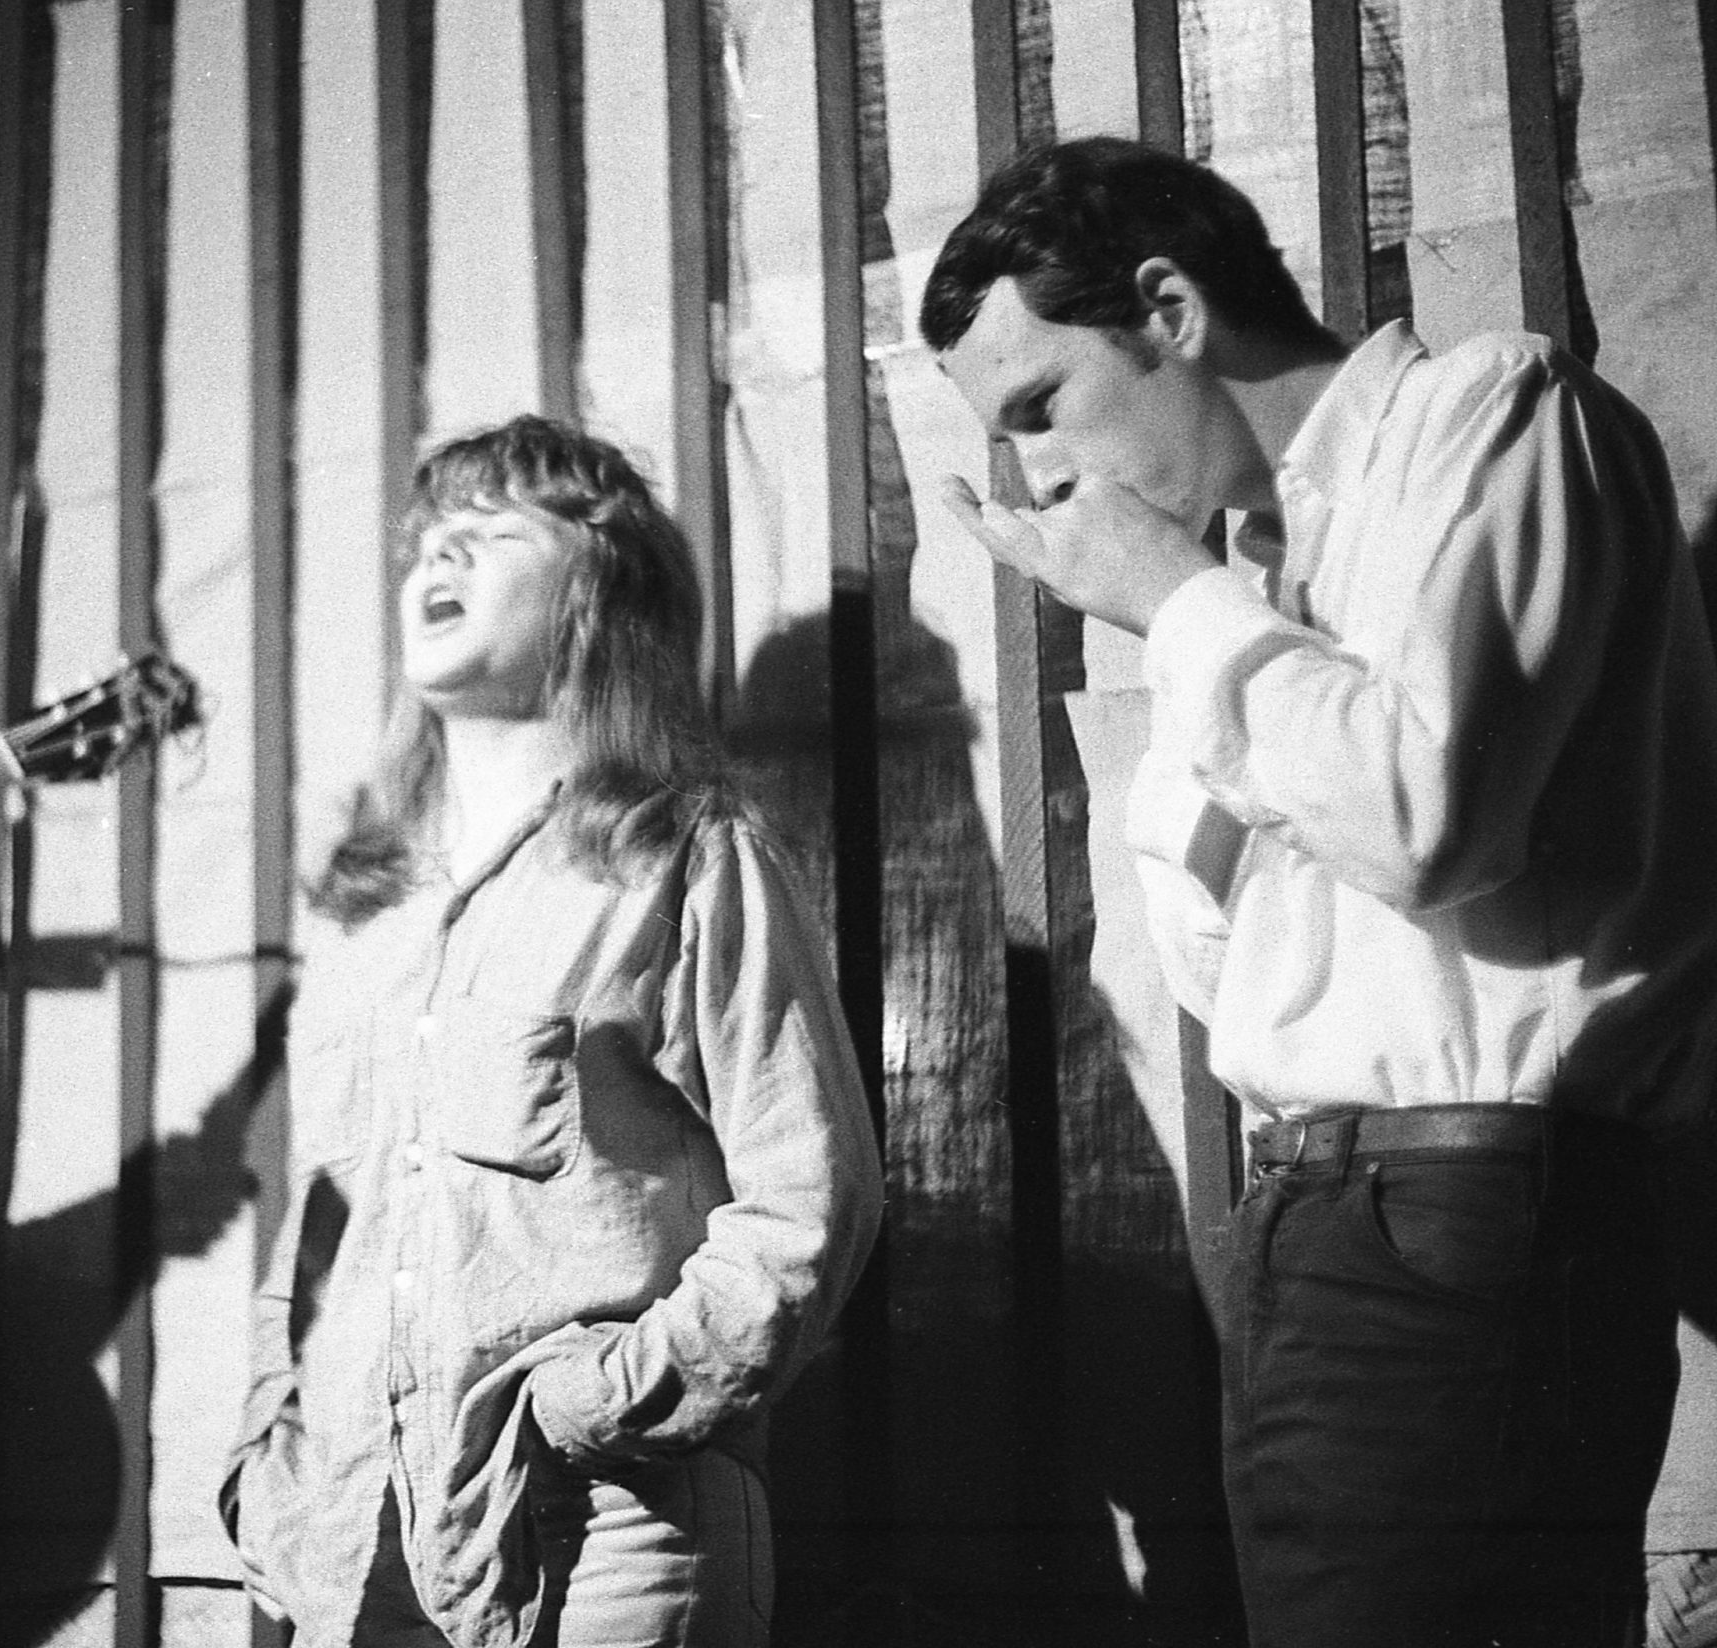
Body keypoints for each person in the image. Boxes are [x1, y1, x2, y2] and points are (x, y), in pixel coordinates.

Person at [921, 135, 1717, 1648]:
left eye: (1040, 406)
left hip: (1469, 1191)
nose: (1040, 476)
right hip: (1324, 1210)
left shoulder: (1488, 416)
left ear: (1169, 310)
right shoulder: (1259, 572)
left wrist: (1178, 604)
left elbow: (1425, 822)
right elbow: (1227, 963)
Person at [222, 415, 883, 1647]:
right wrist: (272, 1431)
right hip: (351, 1538)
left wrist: (602, 1402)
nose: (437, 557)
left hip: (607, 1529)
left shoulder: (686, 856)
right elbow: (323, 1224)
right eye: (426, 537)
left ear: (596, 583)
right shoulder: (374, 913)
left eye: (486, 532)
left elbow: (810, 1197)